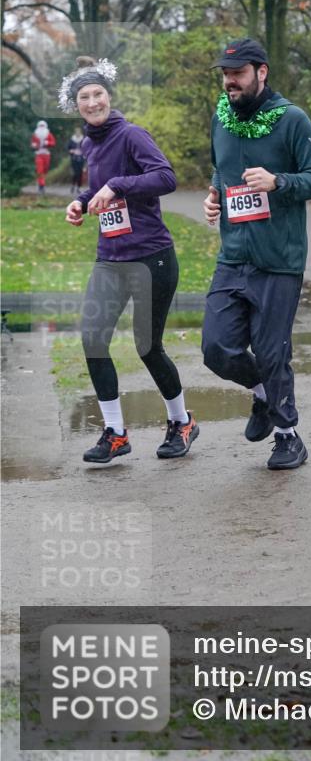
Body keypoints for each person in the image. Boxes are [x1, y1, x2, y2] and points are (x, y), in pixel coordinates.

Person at [61, 55, 199, 464]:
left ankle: (182, 422)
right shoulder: (90, 143)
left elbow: (166, 177)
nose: (92, 102)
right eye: (84, 97)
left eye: (98, 94)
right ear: (76, 105)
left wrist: (118, 186)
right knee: (93, 340)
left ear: (109, 95)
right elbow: (100, 189)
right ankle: (115, 433)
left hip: (151, 256)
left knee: (147, 346)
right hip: (110, 257)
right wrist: (81, 201)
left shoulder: (132, 135)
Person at [201, 38, 311, 470]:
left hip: (279, 259)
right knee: (216, 348)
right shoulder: (221, 118)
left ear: (261, 71)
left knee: (272, 352)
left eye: (237, 73)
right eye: (225, 74)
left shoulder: (291, 119)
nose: (229, 81)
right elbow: (221, 168)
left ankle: (288, 437)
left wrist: (278, 182)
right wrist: (214, 196)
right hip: (233, 256)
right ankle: (262, 394)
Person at [31, 120, 56, 193]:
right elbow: (32, 143)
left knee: (45, 169)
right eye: (40, 126)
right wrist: (34, 145)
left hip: (46, 154)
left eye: (43, 126)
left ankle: (41, 182)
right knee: (40, 170)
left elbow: (53, 143)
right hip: (38, 154)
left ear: (45, 126)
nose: (41, 127)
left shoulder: (48, 134)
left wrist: (47, 143)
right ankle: (41, 185)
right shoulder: (35, 134)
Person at [67, 125, 86, 192]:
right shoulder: (72, 139)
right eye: (76, 132)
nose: (78, 133)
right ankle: (73, 185)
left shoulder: (83, 139)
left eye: (79, 132)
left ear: (80, 132)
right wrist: (72, 151)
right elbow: (68, 148)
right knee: (75, 173)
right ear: (75, 132)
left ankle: (78, 187)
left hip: (81, 158)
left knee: (80, 173)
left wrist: (83, 152)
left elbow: (86, 148)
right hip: (74, 158)